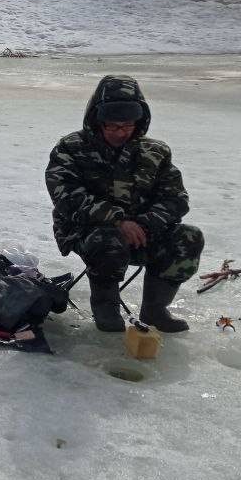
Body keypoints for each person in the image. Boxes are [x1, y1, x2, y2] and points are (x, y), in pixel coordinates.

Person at [45, 75, 203, 333]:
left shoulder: (155, 152)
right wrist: (118, 221)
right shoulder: (71, 148)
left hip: (143, 232)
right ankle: (106, 309)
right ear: (97, 121)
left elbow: (176, 199)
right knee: (109, 240)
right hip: (88, 231)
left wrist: (144, 224)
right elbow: (66, 197)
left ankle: (155, 310)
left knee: (189, 237)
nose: (120, 133)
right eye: (112, 126)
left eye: (127, 125)